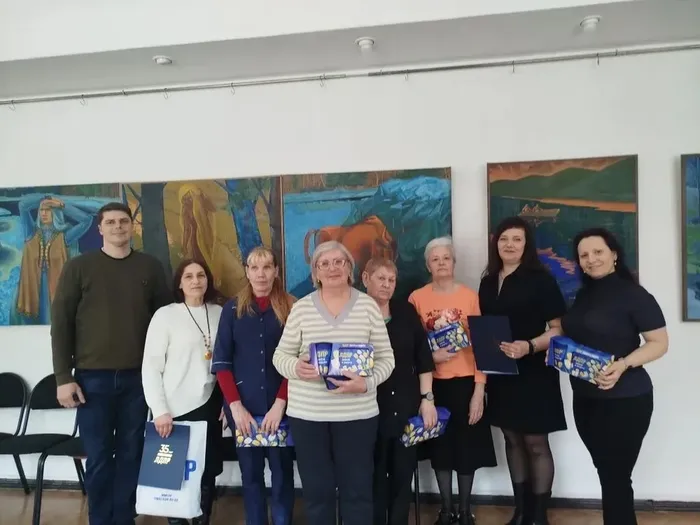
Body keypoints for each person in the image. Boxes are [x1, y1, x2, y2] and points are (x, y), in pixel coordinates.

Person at [51, 202, 171, 525]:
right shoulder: (79, 267)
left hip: (138, 380)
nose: (118, 227)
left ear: (132, 227)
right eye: (111, 222)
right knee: (99, 457)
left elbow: (165, 322)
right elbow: (61, 324)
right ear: (100, 228)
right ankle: (100, 520)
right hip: (91, 380)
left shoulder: (150, 267)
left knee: (132, 454)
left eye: (123, 221)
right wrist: (63, 376)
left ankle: (124, 518)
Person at [272, 241, 395, 525]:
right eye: (324, 264)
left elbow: (387, 359)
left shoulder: (368, 307)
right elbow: (280, 356)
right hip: (308, 416)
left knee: (358, 492)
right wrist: (296, 367)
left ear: (350, 268)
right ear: (315, 272)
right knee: (317, 493)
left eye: (339, 262)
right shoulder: (301, 308)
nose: (332, 268)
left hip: (357, 416)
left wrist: (366, 384)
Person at [561, 228, 668, 525]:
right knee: (608, 474)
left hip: (625, 400)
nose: (591, 259)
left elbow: (659, 343)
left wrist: (623, 365)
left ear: (614, 254)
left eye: (598, 252)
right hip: (586, 399)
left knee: (615, 477)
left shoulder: (634, 295)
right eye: (584, 255)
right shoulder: (582, 294)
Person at [478, 217, 568, 525]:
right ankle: (521, 512)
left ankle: (539, 517)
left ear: (526, 244)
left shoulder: (540, 280)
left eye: (517, 239)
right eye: (504, 239)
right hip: (501, 372)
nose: (510, 245)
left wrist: (529, 346)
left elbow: (558, 329)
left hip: (534, 371)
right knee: (512, 439)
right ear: (496, 244)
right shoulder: (488, 281)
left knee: (535, 442)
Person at [408, 236, 497, 525]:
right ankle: (446, 510)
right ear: (428, 266)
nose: (441, 263)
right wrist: (430, 357)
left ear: (454, 262)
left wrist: (479, 389)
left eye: (446, 258)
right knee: (441, 449)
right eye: (435, 259)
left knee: (467, 449)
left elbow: (483, 346)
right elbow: (412, 344)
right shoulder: (417, 298)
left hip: (466, 383)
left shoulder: (469, 296)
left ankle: (465, 510)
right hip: (432, 386)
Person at [211, 247, 296, 525]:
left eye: (267, 267)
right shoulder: (232, 309)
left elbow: (298, 361)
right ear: (247, 271)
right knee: (251, 475)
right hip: (243, 410)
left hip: (281, 408)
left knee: (282, 474)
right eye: (254, 268)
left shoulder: (292, 307)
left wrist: (280, 405)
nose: (261, 274)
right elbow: (222, 363)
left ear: (276, 271)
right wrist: (235, 407)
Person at [142, 258, 225, 525]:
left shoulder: (219, 313)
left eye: (201, 275)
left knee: (206, 471)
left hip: (210, 402)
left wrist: (228, 401)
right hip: (174, 407)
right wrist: (159, 410)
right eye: (188, 276)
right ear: (179, 283)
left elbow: (228, 360)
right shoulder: (165, 316)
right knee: (172, 473)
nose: (195, 281)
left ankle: (202, 520)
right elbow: (151, 367)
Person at [362, 258, 437, 525]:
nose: (387, 285)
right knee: (373, 474)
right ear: (365, 279)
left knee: (403, 474)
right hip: (368, 408)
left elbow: (424, 358)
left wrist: (427, 399)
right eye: (381, 278)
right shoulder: (355, 313)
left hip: (405, 406)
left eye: (391, 280)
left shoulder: (405, 312)